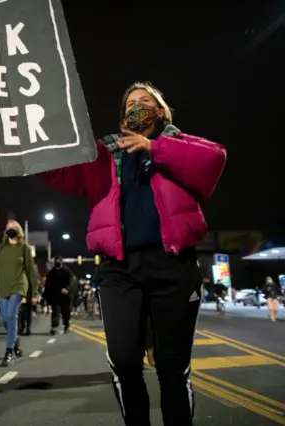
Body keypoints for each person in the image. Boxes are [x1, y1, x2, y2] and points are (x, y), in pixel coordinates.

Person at [39, 81, 226, 426]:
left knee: (172, 368)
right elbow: (60, 175)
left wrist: (155, 149)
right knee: (125, 361)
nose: (136, 106)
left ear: (160, 110)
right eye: (130, 102)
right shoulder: (103, 153)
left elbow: (214, 159)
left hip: (173, 266)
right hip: (119, 269)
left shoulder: (179, 144)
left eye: (145, 101)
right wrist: (38, 139)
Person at [0, 220, 39, 367]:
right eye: (8, 228)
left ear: (19, 231)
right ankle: (15, 340)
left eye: (13, 228)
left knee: (11, 315)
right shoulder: (1, 248)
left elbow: (31, 271)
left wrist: (34, 293)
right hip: (2, 287)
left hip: (19, 285)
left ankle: (9, 351)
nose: (10, 230)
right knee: (5, 319)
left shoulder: (24, 248)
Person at [43, 256, 77, 335]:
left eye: (59, 261)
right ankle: (54, 327)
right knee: (55, 311)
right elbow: (47, 285)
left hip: (65, 296)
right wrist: (46, 296)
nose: (57, 263)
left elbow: (71, 282)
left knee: (66, 311)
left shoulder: (67, 272)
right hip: (55, 296)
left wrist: (67, 289)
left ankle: (66, 324)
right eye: (56, 261)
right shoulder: (51, 273)